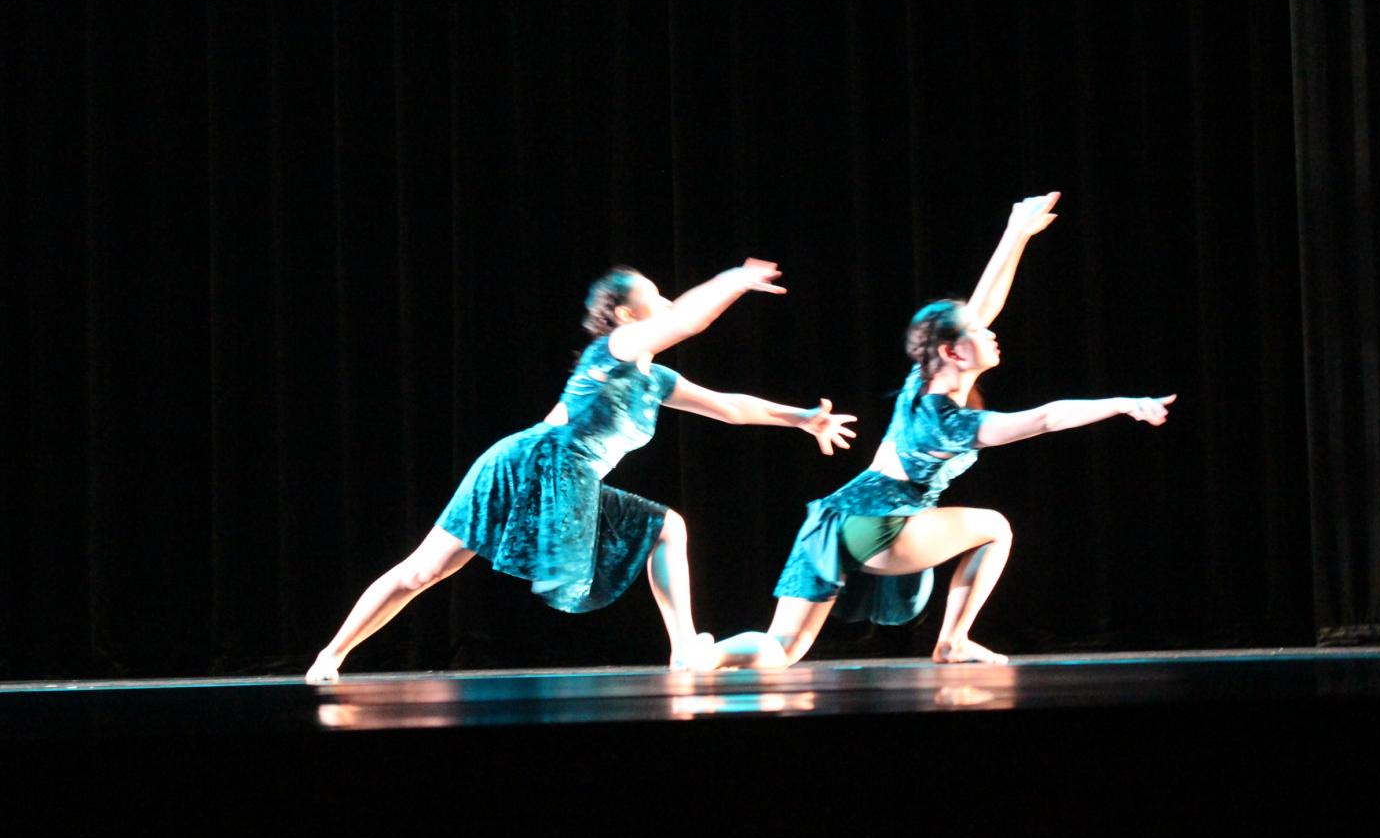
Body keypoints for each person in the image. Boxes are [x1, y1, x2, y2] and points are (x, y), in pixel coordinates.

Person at [305, 262, 856, 683]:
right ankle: (331, 655)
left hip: (571, 479)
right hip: (523, 464)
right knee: (422, 573)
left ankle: (686, 647)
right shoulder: (612, 349)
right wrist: (735, 278)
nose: (666, 302)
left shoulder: (654, 379)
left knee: (668, 527)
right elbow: (693, 318)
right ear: (626, 315)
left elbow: (731, 406)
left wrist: (802, 419)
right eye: (654, 298)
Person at [715, 193, 1173, 669]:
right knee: (995, 527)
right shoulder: (950, 424)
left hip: (828, 518)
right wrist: (1122, 404)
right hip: (881, 525)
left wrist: (1015, 233)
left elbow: (982, 307)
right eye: (977, 334)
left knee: (782, 648)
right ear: (953, 353)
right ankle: (953, 640)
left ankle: (705, 656)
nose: (991, 333)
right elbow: (1045, 418)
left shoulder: (921, 383)